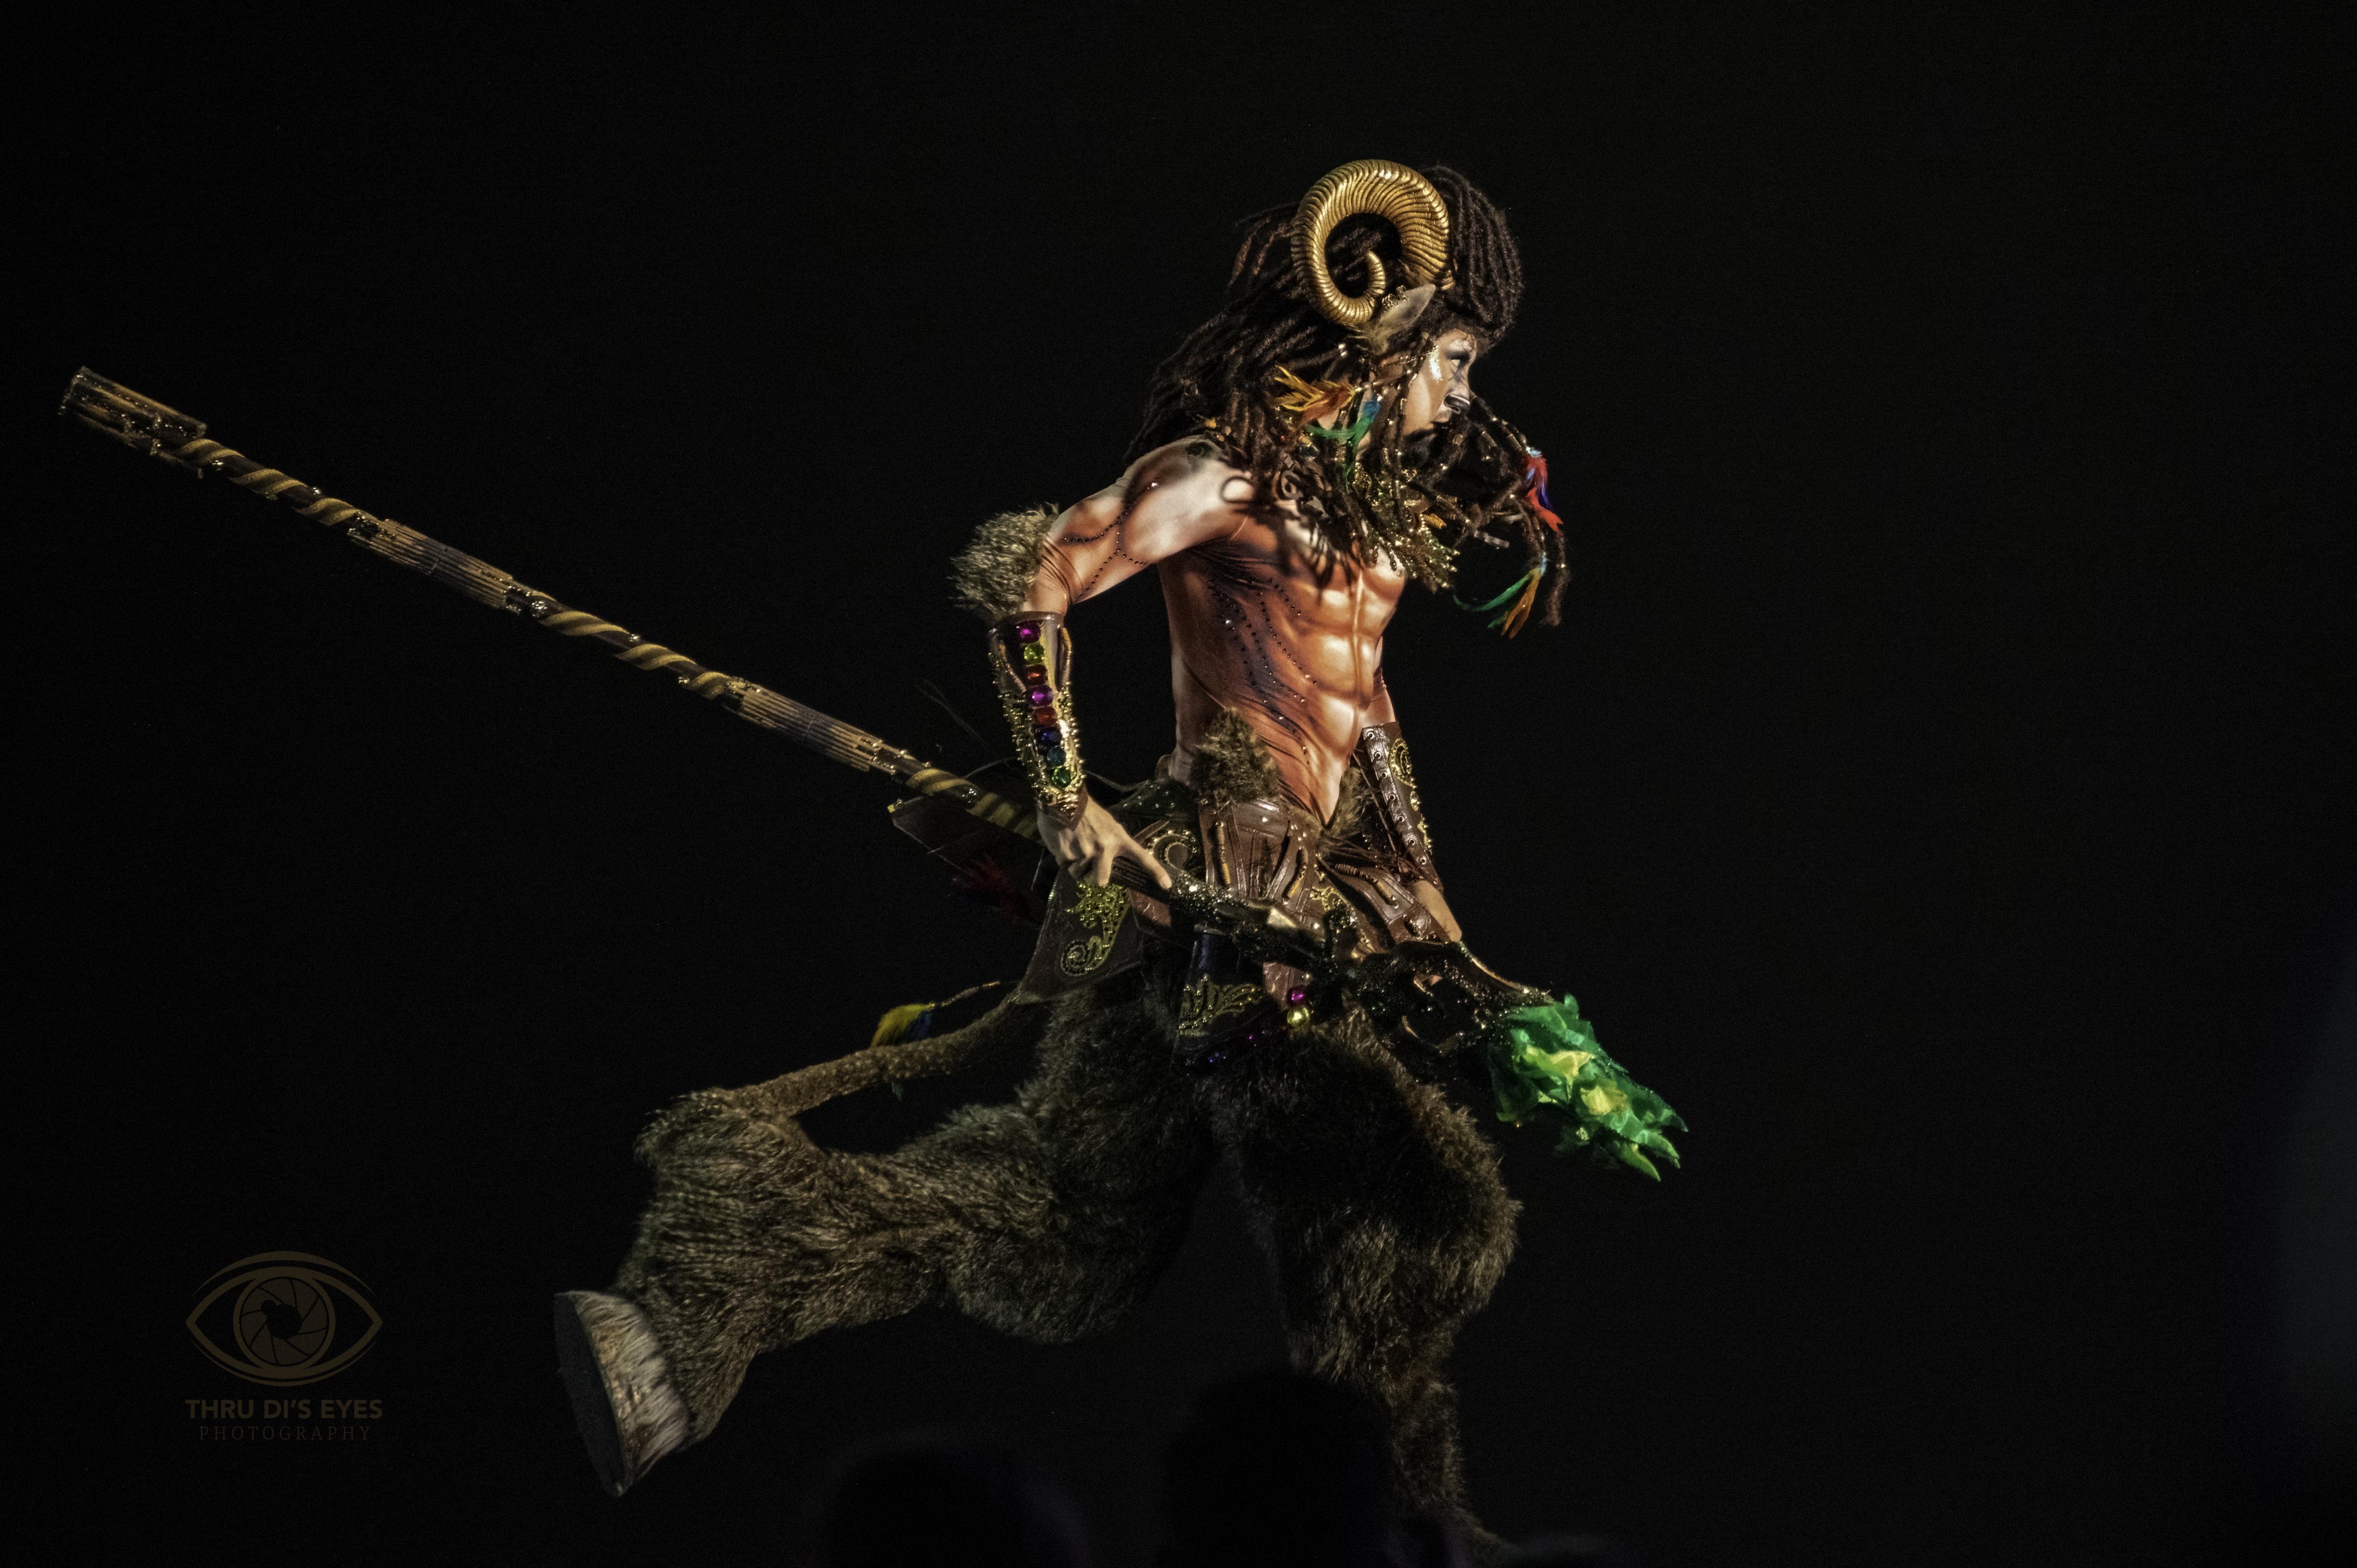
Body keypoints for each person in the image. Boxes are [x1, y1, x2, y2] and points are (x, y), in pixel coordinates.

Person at [554, 160, 1683, 1558]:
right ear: (1381, 329)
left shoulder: (1364, 519)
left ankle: (684, 1314)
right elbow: (1034, 572)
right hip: (1224, 890)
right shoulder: (1222, 475)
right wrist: (1062, 793)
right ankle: (1410, 1533)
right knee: (1409, 1203)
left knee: (1073, 1224)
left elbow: (1360, 716)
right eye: (1452, 360)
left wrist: (1439, 932)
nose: (1460, 397)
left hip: (1286, 897)